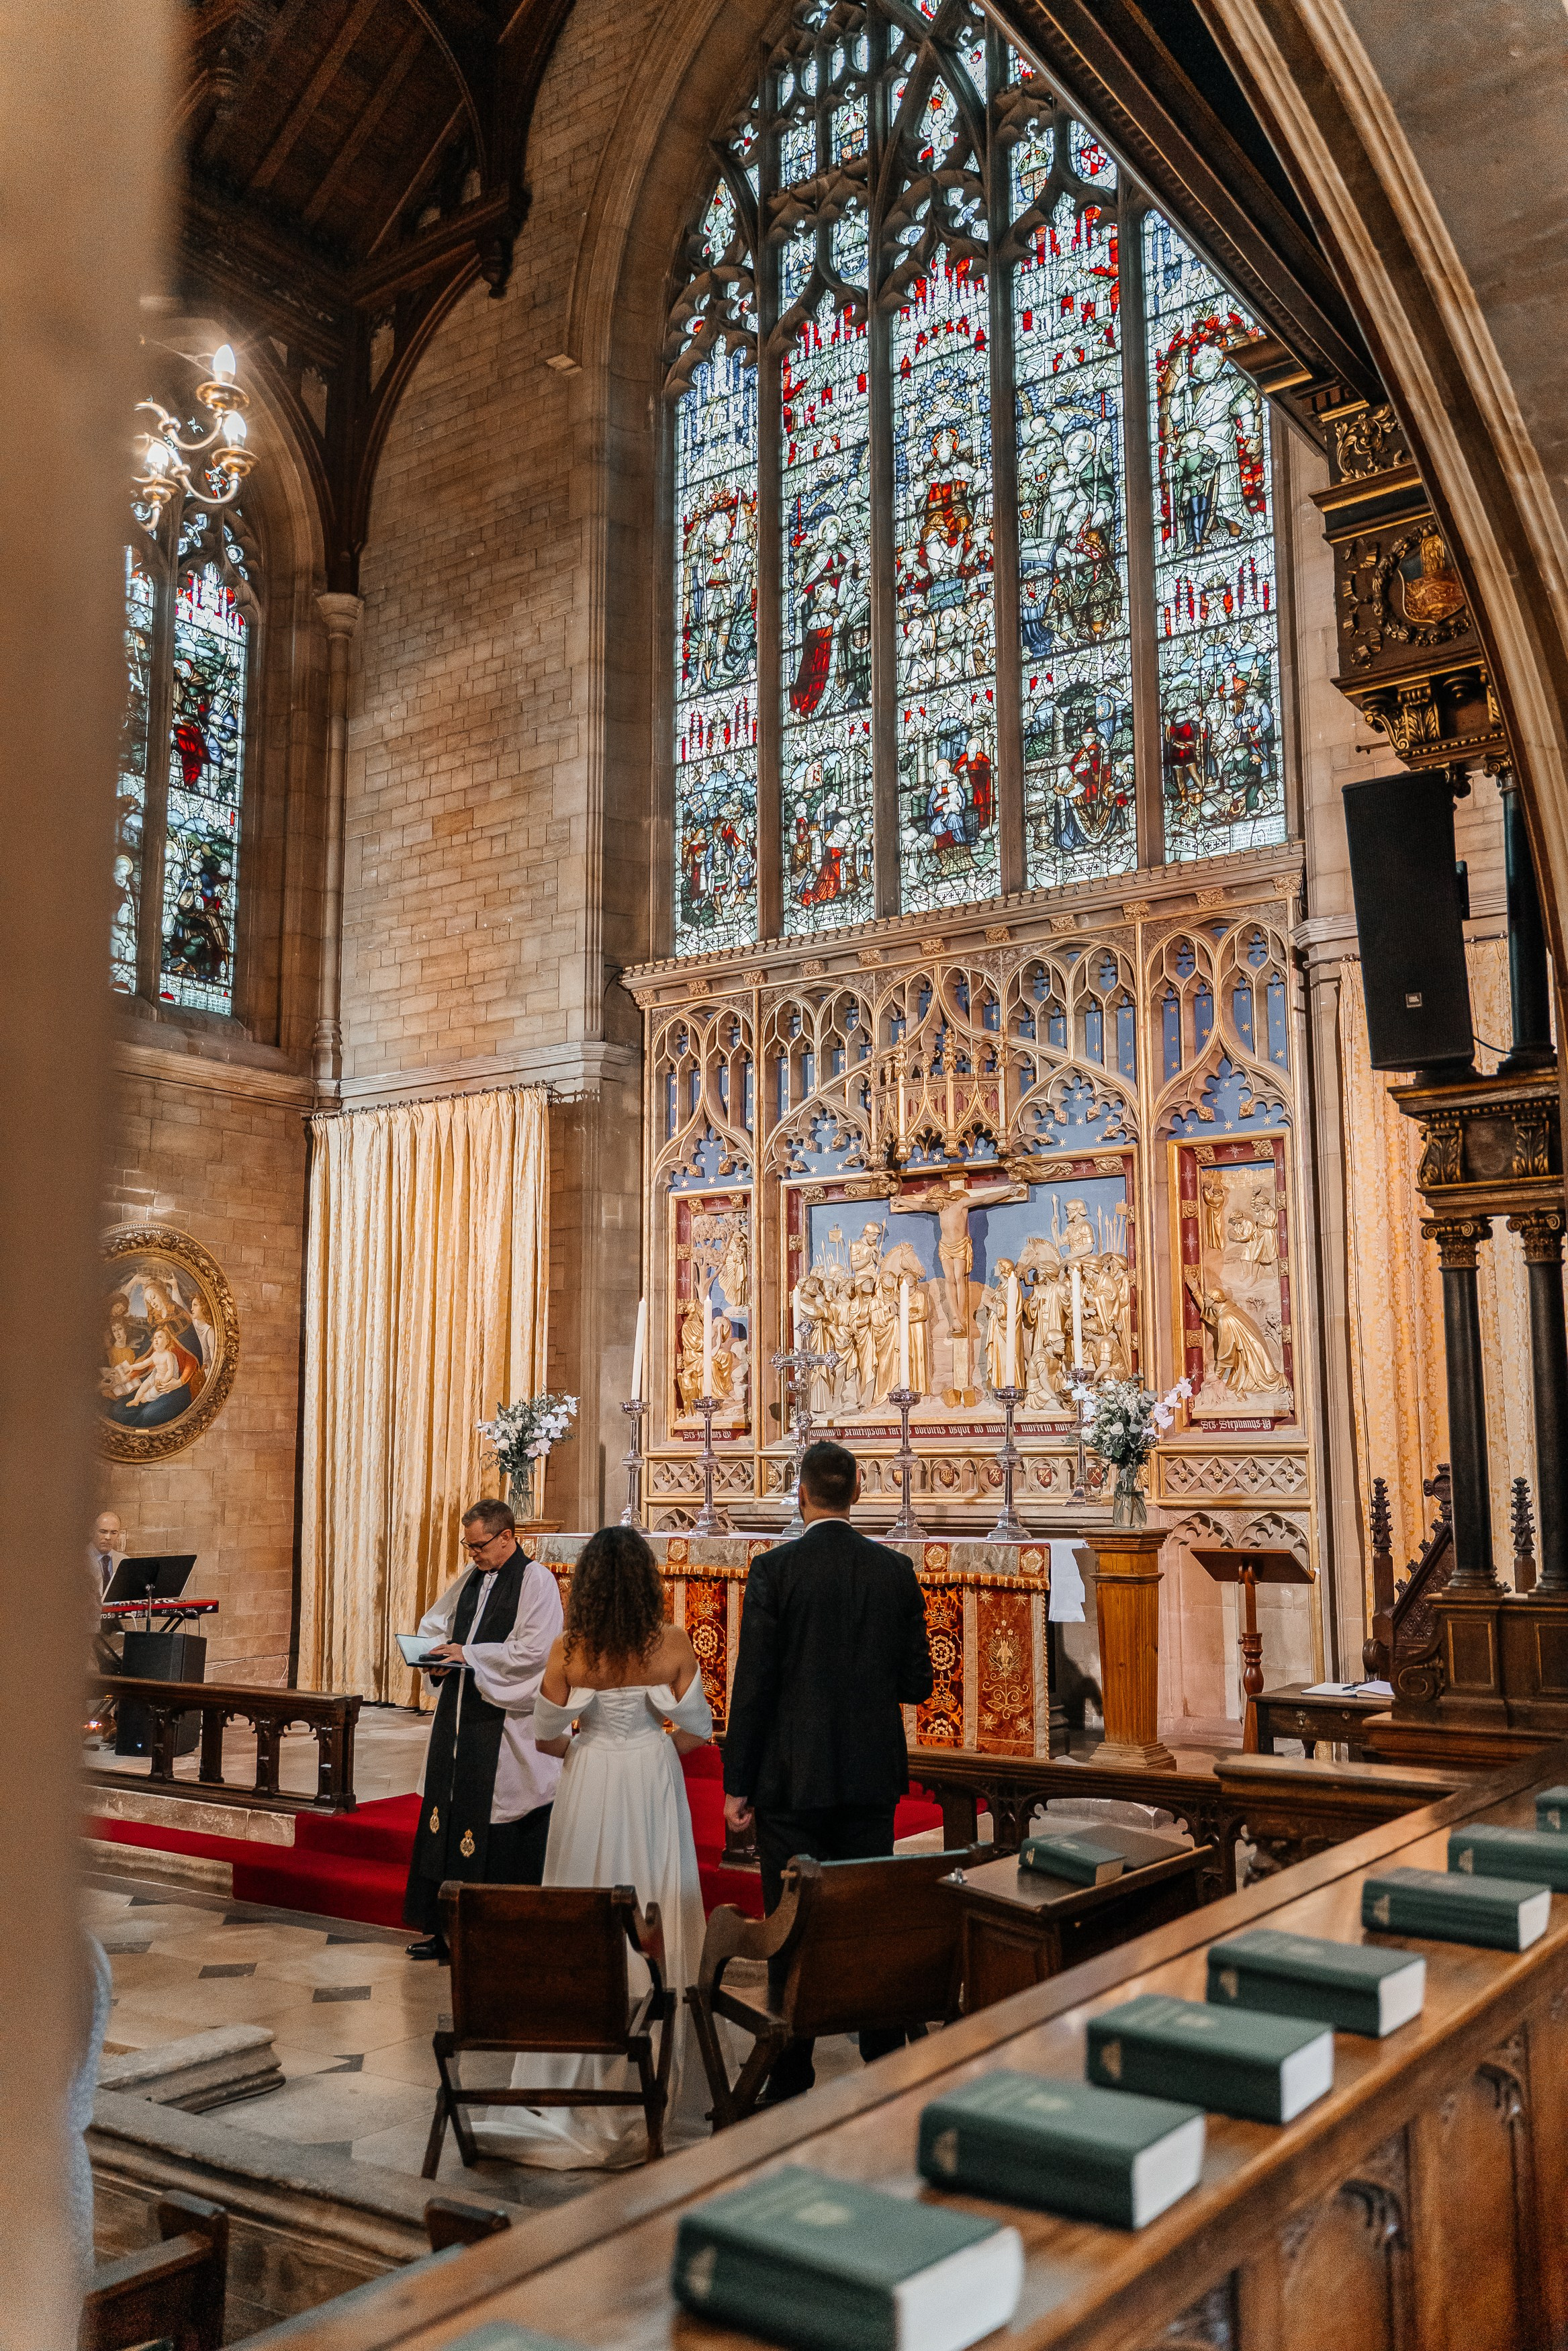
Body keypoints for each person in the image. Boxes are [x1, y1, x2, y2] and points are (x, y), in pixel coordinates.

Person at [475, 1527, 712, 2168]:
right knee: (656, 1892)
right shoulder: (670, 1643)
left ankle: (575, 2056)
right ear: (644, 1579)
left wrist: (586, 1745)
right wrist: (655, 1746)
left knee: (582, 1894)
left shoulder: (569, 1648)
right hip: (649, 1776)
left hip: (591, 1777)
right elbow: (698, 1730)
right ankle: (658, 2047)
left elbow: (545, 1735)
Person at [723, 1439, 934, 2100]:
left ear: (801, 1494)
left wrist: (738, 1782)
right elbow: (918, 1681)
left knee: (792, 1920)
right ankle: (884, 2052)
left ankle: (791, 2071)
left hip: (791, 1777)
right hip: (869, 1775)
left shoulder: (775, 1570)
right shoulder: (893, 1570)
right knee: (864, 1914)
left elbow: (753, 1685)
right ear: (858, 1492)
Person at [402, 1497, 563, 1961]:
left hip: (501, 1725)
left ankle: (486, 1935)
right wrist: (433, 1655)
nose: (472, 1555)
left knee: (492, 1821)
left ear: (508, 1536)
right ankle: (442, 1929)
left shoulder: (536, 1581)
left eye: (479, 1546)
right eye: (468, 1546)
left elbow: (535, 1651)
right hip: (459, 1718)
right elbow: (435, 1624)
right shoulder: (472, 1578)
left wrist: (468, 1656)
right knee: (446, 1817)